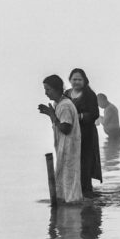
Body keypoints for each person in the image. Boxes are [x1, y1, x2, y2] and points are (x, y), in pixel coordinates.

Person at [38, 75, 83, 204]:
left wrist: (52, 114)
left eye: (48, 89)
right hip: (63, 147)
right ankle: (65, 205)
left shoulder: (65, 106)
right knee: (63, 178)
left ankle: (73, 206)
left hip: (70, 148)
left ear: (57, 89)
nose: (46, 93)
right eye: (45, 89)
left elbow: (65, 128)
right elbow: (58, 123)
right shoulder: (57, 104)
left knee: (69, 178)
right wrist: (50, 114)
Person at [65, 68, 102, 197]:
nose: (76, 82)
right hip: (70, 135)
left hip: (86, 135)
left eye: (79, 79)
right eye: (74, 79)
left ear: (84, 81)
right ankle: (73, 191)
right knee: (71, 163)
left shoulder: (89, 95)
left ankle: (86, 192)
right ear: (70, 80)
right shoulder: (66, 94)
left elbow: (94, 114)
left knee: (85, 163)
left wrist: (79, 116)